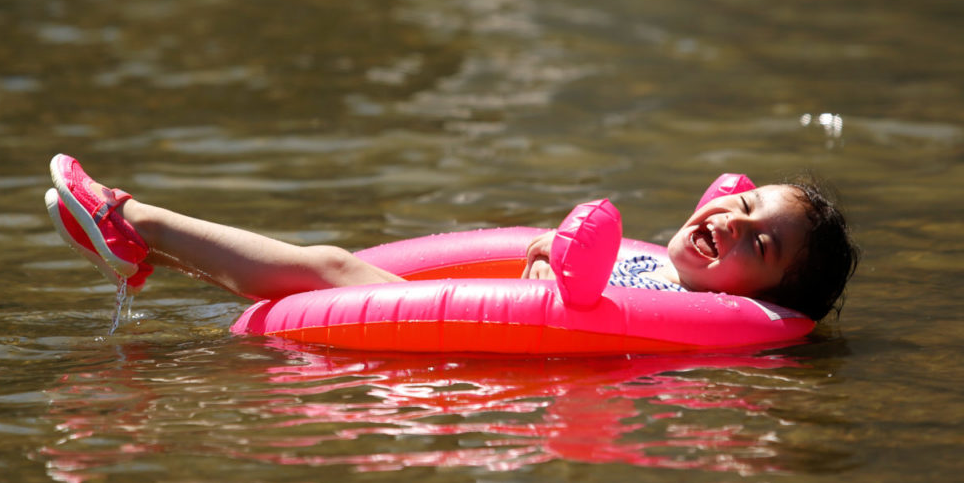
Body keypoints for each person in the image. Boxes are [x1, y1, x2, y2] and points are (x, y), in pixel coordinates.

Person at [44, 154, 858, 321]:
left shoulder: (711, 327)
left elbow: (573, 315)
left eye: (760, 244)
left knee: (324, 269)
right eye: (744, 208)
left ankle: (134, 220)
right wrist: (547, 258)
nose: (732, 223)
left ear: (771, 297)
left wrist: (549, 269)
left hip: (477, 351)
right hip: (486, 324)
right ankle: (141, 240)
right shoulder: (659, 274)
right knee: (321, 266)